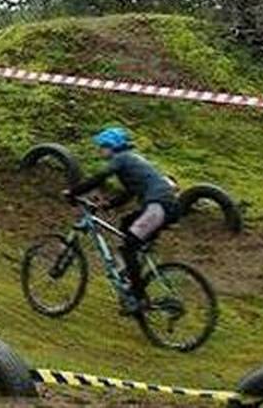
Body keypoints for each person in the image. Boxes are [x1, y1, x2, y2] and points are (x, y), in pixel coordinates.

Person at [63, 125, 181, 314]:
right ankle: (132, 270)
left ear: (111, 146)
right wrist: (108, 205)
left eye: (102, 147)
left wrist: (73, 192)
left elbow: (100, 177)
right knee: (126, 224)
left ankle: (138, 298)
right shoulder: (133, 160)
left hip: (158, 206)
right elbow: (130, 193)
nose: (100, 151)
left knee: (128, 246)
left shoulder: (121, 159)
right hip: (168, 206)